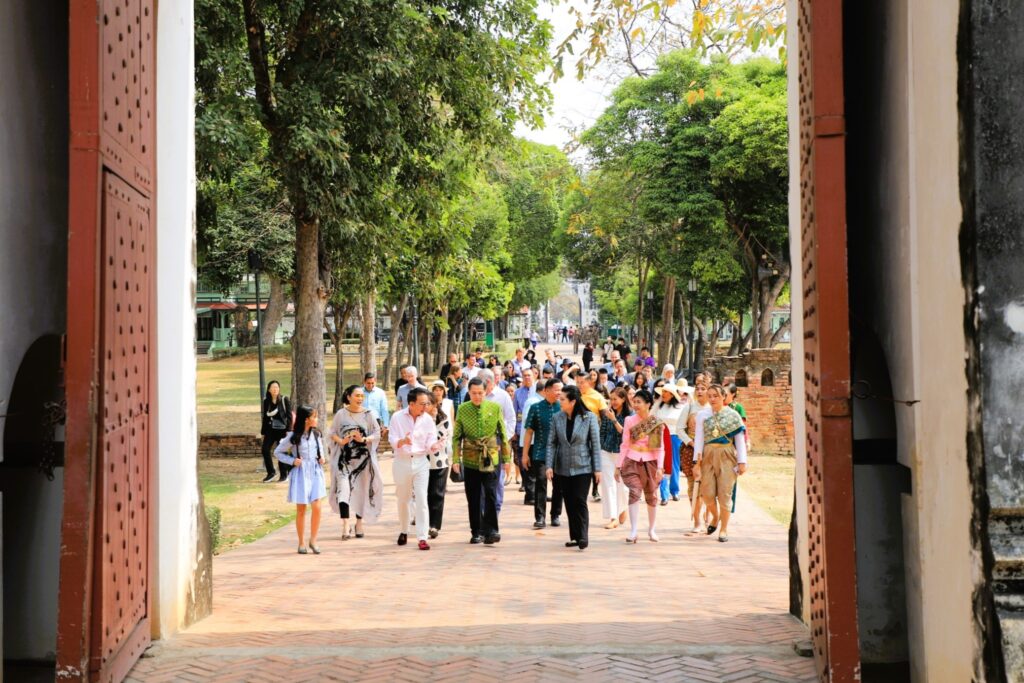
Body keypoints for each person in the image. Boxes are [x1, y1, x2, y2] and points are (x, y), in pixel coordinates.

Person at [452, 378, 513, 544]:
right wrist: (456, 459)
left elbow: (503, 435)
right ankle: (476, 531)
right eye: (474, 393)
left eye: (480, 393)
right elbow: (456, 437)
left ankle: (492, 530)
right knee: (474, 496)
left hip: (491, 458)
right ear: (469, 393)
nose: (477, 396)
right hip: (470, 459)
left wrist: (507, 459)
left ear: (486, 392)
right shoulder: (463, 409)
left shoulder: (495, 407)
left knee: (491, 494)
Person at [545, 385, 601, 550]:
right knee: (569, 502)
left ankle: (583, 536)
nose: (560, 401)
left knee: (579, 500)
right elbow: (551, 443)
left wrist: (597, 469)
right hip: (563, 467)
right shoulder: (557, 418)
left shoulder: (589, 418)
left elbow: (595, 445)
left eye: (563, 399)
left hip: (583, 466)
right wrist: (549, 466)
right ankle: (575, 537)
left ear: (573, 401)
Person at [327, 385, 384, 540]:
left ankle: (359, 523)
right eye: (357, 395)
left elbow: (377, 433)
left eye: (361, 396)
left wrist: (364, 439)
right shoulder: (341, 414)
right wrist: (341, 441)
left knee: (361, 491)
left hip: (363, 461)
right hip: (344, 461)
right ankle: (345, 524)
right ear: (349, 397)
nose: (360, 399)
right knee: (343, 490)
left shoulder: (368, 414)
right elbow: (332, 432)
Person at [615, 390, 671, 543]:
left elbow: (659, 448)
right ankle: (633, 530)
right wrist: (618, 465)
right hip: (632, 460)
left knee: (651, 496)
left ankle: (651, 529)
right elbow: (625, 444)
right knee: (634, 492)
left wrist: (660, 467)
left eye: (639, 402)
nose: (635, 405)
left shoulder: (655, 422)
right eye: (634, 402)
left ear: (648, 404)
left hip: (650, 462)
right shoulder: (629, 420)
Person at [388, 387, 440, 550]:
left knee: (422, 498)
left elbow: (431, 439)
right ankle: (404, 530)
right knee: (403, 499)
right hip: (402, 461)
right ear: (411, 404)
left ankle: (422, 537)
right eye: (422, 404)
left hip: (420, 462)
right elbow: (392, 438)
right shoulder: (397, 417)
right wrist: (402, 441)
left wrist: (434, 445)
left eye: (427, 403)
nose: (426, 407)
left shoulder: (428, 419)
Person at [694, 384, 748, 542]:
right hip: (708, 455)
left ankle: (724, 529)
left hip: (726, 455)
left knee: (725, 494)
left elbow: (739, 440)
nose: (712, 399)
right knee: (707, 493)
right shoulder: (702, 415)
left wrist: (742, 461)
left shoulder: (733, 415)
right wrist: (696, 462)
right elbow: (699, 439)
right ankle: (715, 516)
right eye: (709, 396)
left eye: (716, 396)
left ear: (723, 397)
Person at [274, 405, 327, 554]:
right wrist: (292, 461)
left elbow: (320, 450)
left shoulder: (316, 434)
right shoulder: (293, 437)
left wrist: (322, 458)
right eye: (314, 417)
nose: (316, 419)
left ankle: (313, 540)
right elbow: (278, 452)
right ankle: (301, 542)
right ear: (306, 419)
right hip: (301, 473)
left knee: (317, 507)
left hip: (315, 471)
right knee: (301, 509)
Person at [522, 379, 564, 528]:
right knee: (541, 483)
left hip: (560, 453)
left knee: (559, 485)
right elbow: (528, 432)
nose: (559, 393)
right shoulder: (535, 408)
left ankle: (555, 515)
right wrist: (525, 454)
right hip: (540, 452)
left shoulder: (563, 407)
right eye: (557, 389)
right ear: (546, 391)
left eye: (561, 390)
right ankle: (540, 517)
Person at [479, 369, 516, 511]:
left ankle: (496, 509)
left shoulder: (503, 396)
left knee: (498, 478)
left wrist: (504, 439)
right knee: (482, 479)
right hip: (479, 445)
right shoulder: (476, 395)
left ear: (488, 382)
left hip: (498, 444)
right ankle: (483, 511)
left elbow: (511, 419)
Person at [599, 387, 631, 529]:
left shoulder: (629, 416)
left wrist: (614, 420)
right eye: (611, 399)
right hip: (606, 452)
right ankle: (613, 517)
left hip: (622, 454)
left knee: (622, 486)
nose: (612, 402)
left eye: (615, 399)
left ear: (623, 399)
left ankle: (623, 508)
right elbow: (602, 432)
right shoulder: (607, 413)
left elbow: (626, 435)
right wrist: (602, 447)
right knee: (608, 485)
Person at [426, 384, 454, 539]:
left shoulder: (444, 420)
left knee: (437, 493)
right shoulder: (420, 420)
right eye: (426, 404)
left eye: (431, 404)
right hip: (423, 461)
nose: (429, 407)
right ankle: (425, 523)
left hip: (440, 461)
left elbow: (437, 438)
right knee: (424, 493)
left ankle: (434, 525)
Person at [654, 383, 688, 506]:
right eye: (662, 392)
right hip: (659, 437)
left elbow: (684, 424)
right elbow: (651, 419)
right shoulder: (658, 407)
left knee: (674, 464)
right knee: (661, 464)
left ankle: (675, 490)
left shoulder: (681, 407)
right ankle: (664, 494)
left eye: (666, 392)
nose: (663, 394)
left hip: (674, 437)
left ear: (672, 394)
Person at [513, 368, 538, 502]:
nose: (527, 377)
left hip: (537, 432)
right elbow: (515, 411)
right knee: (523, 460)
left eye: (529, 375)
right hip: (521, 430)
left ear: (534, 376)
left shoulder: (538, 390)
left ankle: (536, 492)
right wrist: (514, 431)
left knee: (536, 463)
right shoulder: (518, 392)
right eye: (524, 376)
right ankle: (529, 490)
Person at [260, 380, 292, 482]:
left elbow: (289, 416)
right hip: (270, 430)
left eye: (277, 387)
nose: (275, 389)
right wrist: (263, 433)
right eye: (273, 387)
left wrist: (289, 431)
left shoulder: (284, 399)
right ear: (269, 390)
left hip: (282, 430)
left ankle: (284, 474)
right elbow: (265, 418)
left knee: (281, 450)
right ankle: (271, 473)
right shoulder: (266, 401)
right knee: (265, 449)